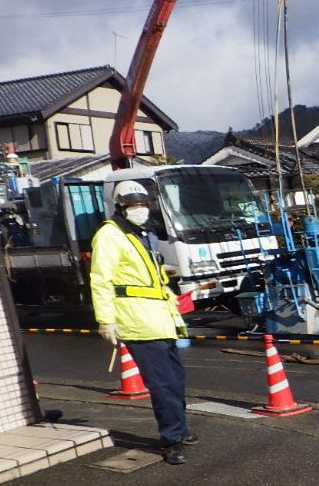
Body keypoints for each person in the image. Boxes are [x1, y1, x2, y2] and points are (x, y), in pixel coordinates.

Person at [90, 180, 195, 465]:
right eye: (133, 205)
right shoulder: (110, 235)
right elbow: (101, 280)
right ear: (121, 207)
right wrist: (106, 320)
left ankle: (181, 430)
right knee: (162, 384)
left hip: (161, 317)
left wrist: (173, 295)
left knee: (175, 380)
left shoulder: (143, 234)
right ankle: (171, 439)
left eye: (143, 204)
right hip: (137, 320)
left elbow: (154, 275)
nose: (140, 210)